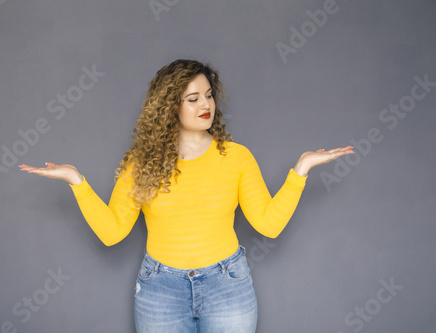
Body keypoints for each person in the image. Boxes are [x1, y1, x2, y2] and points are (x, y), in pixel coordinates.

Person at [19, 59, 354, 332]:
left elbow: (268, 225)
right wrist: (76, 180)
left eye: (208, 95)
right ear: (169, 108)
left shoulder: (237, 157)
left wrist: (301, 169)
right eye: (193, 99)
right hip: (160, 290)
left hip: (228, 286)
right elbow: (112, 233)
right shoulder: (140, 164)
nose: (205, 105)